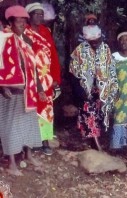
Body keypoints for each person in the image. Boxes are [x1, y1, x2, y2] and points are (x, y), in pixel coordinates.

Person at [0, 5, 43, 176]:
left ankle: (28, 155)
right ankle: (11, 163)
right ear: (10, 22)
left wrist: (39, 88)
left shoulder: (27, 41)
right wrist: (2, 87)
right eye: (18, 21)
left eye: (24, 21)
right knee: (11, 126)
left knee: (28, 124)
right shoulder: (3, 40)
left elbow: (33, 67)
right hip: (11, 91)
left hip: (28, 92)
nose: (22, 24)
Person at [69, 25, 119, 151]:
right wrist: (79, 91)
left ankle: (92, 141)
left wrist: (113, 87)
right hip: (85, 90)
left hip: (102, 90)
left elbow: (111, 69)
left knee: (99, 116)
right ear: (87, 40)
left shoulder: (105, 49)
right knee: (90, 115)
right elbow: (73, 72)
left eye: (98, 40)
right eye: (93, 42)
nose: (96, 43)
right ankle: (97, 146)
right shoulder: (79, 51)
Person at [24, 2, 61, 155]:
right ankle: (31, 142)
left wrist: (55, 77)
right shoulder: (23, 31)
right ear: (29, 16)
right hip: (30, 77)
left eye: (41, 14)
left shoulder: (46, 31)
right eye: (36, 14)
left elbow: (53, 54)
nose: (39, 17)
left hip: (46, 77)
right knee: (31, 107)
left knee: (46, 109)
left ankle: (44, 140)